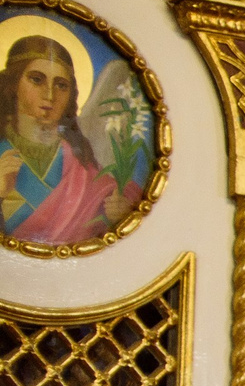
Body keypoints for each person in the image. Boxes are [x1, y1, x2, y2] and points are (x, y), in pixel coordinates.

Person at [0, 35, 140, 247]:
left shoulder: (85, 169)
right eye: (36, 79)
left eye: (61, 85)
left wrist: (121, 217)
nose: (49, 95)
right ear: (13, 84)